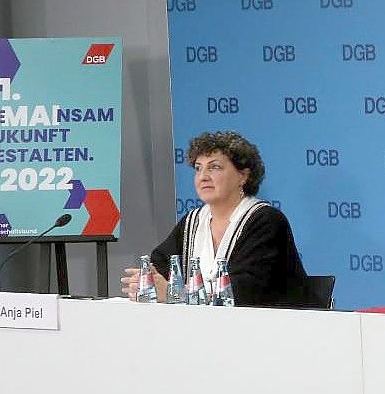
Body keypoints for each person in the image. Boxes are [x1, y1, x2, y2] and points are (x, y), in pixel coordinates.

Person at [121, 131, 306, 306]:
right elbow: (160, 265)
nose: (203, 177)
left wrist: (174, 292)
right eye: (198, 169)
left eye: (214, 167)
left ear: (243, 176)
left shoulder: (266, 220)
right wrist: (147, 282)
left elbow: (248, 289)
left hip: (270, 330)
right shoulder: (193, 222)